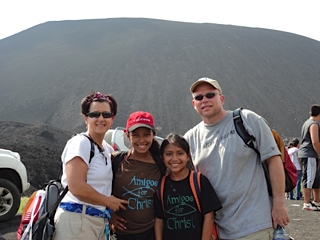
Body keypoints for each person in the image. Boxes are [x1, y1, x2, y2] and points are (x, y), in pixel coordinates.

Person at [184, 77, 290, 240]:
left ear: (222, 98)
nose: (204, 100)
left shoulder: (247, 120)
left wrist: (279, 203)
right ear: (194, 104)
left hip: (255, 225)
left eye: (210, 95)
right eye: (199, 97)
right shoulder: (191, 138)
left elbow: (273, 159)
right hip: (220, 229)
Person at [53, 92, 128, 240]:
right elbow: (76, 187)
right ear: (86, 118)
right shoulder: (80, 143)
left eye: (106, 114)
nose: (101, 119)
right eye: (95, 114)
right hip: (76, 221)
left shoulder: (107, 149)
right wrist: (108, 202)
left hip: (95, 222)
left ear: (112, 118)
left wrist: (107, 211)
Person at [154, 133, 222, 240]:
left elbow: (209, 215)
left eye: (180, 153)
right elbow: (159, 219)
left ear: (188, 156)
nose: (174, 158)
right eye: (169, 154)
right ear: (162, 157)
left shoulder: (199, 181)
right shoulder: (162, 185)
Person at [110, 111, 166, 240]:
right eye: (136, 135)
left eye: (146, 135)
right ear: (127, 135)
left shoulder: (161, 165)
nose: (141, 140)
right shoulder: (116, 161)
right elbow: (100, 190)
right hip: (120, 235)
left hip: (150, 233)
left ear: (153, 136)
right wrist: (109, 214)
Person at [298, 104, 320, 210]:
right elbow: (315, 141)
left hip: (305, 153)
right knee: (309, 178)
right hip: (310, 153)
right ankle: (307, 203)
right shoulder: (314, 124)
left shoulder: (306, 123)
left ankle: (310, 202)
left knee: (310, 177)